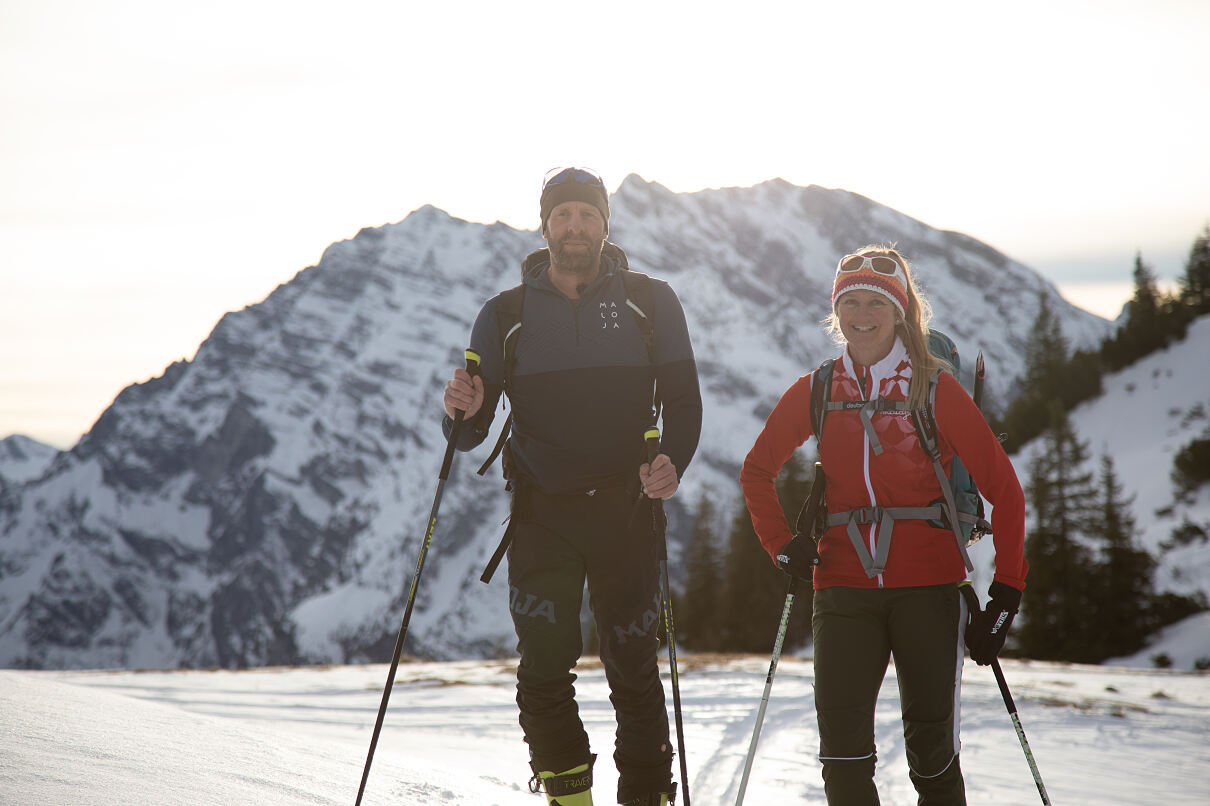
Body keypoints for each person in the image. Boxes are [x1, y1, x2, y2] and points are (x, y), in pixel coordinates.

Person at [442, 167, 702, 806]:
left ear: (605, 225)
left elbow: (684, 402)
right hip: (542, 518)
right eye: (563, 216)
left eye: (587, 215)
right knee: (542, 676)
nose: (575, 227)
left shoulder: (652, 301)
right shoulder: (504, 314)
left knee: (636, 675)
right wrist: (461, 408)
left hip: (628, 513)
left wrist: (671, 461)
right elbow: (470, 433)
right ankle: (570, 799)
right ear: (546, 226)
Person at [739, 245, 1028, 805]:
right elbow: (756, 471)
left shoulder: (934, 388)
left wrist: (1007, 592)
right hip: (842, 589)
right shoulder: (819, 389)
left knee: (933, 760)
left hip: (929, 589)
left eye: (876, 302)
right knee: (842, 761)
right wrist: (781, 545)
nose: (862, 314)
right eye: (851, 303)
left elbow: (1004, 488)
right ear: (836, 313)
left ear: (900, 312)